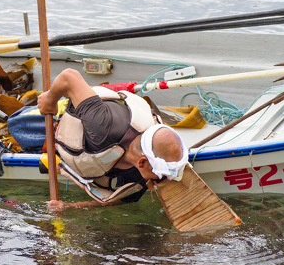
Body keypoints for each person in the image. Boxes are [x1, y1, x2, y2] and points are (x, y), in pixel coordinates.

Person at [37, 68, 189, 210]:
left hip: (89, 141)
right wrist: (50, 100)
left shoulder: (142, 175)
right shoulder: (104, 127)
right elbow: (69, 77)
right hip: (54, 121)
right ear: (142, 162)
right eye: (163, 175)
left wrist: (69, 206)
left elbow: (123, 198)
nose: (166, 180)